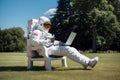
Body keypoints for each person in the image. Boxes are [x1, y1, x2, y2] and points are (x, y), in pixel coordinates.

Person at [30, 16, 99, 69]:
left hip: (50, 48)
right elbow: (34, 41)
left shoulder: (46, 33)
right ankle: (88, 62)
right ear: (41, 24)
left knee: (70, 48)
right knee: (68, 49)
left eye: (49, 25)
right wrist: (45, 41)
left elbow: (51, 42)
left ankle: (86, 62)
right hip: (44, 49)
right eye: (46, 25)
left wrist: (60, 43)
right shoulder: (37, 32)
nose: (48, 27)